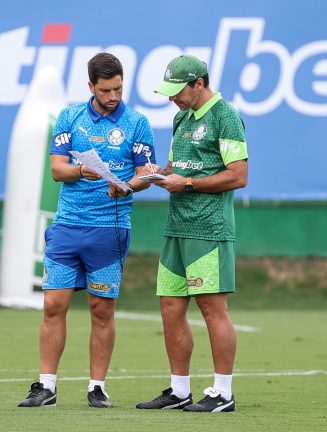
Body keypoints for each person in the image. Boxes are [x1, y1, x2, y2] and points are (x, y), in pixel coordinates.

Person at [18, 52, 158, 408]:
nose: (113, 96)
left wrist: (126, 184)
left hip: (109, 229)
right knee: (53, 304)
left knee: (101, 310)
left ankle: (97, 386)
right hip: (67, 226)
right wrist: (83, 171)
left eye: (118, 88)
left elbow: (146, 174)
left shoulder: (138, 122)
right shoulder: (69, 116)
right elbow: (56, 169)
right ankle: (46, 386)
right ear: (91, 86)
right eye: (106, 89)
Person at [136, 54, 248, 413]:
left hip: (209, 228)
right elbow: (176, 169)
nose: (172, 98)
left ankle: (223, 392)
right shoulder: (180, 118)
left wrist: (187, 184)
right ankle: (179, 389)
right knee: (170, 307)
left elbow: (238, 175)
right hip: (176, 228)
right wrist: (158, 173)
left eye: (177, 91)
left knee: (212, 309)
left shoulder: (226, 116)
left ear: (199, 83)